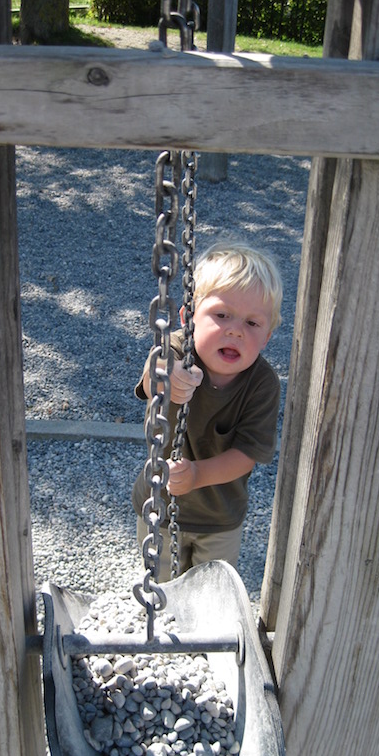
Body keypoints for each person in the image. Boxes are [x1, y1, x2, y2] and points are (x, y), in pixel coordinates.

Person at [132, 240, 283, 582]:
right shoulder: (174, 350)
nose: (234, 330)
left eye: (252, 324)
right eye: (221, 315)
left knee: (209, 591)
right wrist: (164, 375)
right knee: (160, 588)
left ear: (268, 337)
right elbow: (153, 372)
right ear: (189, 317)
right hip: (157, 504)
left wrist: (198, 475)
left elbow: (247, 453)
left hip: (220, 518)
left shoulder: (262, 384)